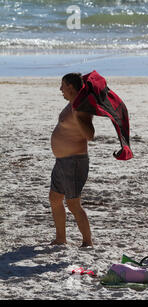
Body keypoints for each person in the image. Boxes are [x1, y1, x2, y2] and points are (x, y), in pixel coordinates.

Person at [49, 73, 95, 247]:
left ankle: (87, 242)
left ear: (70, 87)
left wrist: (77, 117)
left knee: (73, 202)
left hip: (74, 161)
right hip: (61, 161)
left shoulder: (81, 108)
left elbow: (90, 135)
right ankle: (61, 238)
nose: (60, 89)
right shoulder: (72, 104)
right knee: (54, 198)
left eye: (62, 85)